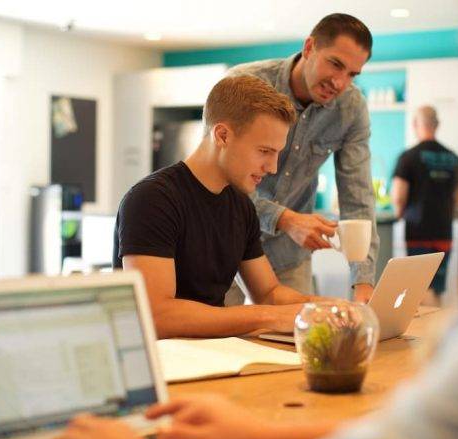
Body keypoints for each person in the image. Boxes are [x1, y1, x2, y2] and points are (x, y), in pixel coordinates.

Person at [50, 0, 458, 439]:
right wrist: (281, 302)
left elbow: (349, 202)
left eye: (355, 74)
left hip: (248, 292)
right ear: (309, 49)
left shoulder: (245, 194)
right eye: (265, 153)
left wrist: (341, 298)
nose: (274, 168)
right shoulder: (171, 184)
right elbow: (167, 313)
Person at [112, 75, 331, 339]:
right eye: (264, 151)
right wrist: (268, 316)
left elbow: (268, 293)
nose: (272, 168)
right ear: (223, 135)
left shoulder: (241, 206)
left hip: (215, 355)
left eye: (276, 153)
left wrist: (324, 307)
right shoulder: (151, 200)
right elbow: (157, 315)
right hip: (163, 364)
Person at [225, 13, 379, 305]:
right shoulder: (245, 86)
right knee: (218, 345)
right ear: (309, 48)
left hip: (287, 257)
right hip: (226, 247)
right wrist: (284, 219)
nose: (339, 82)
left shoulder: (351, 109)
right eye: (335, 64)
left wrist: (363, 284)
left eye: (352, 74)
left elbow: (357, 198)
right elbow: (220, 179)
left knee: (296, 344)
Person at [391, 106, 458, 305]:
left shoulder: (408, 157)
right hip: (443, 231)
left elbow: (399, 195)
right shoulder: (454, 158)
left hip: (418, 233)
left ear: (416, 125)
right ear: (437, 125)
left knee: (420, 289)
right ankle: (436, 332)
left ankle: (426, 335)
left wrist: (399, 212)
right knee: (437, 287)